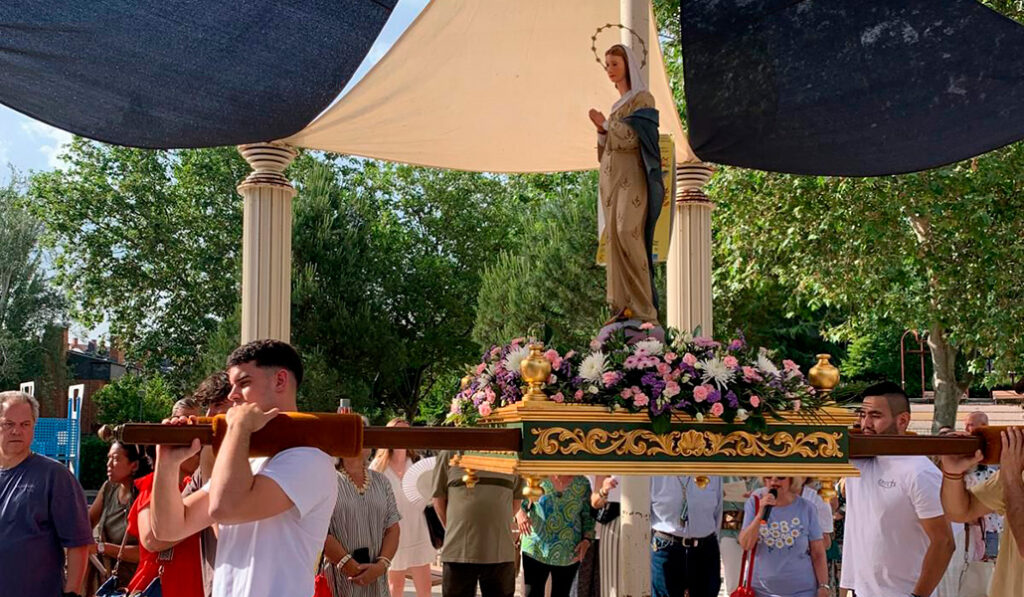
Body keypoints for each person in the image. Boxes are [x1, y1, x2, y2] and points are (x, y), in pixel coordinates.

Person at [149, 339, 339, 597]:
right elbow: (167, 530)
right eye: (232, 385)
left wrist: (238, 428)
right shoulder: (245, 461)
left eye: (244, 383)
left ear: (280, 381)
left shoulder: (310, 459)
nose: (232, 395)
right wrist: (167, 463)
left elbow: (225, 508)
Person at [840, 382, 954, 597]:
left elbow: (944, 542)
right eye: (862, 415)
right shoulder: (858, 462)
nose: (865, 423)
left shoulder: (920, 472)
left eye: (875, 416)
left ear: (902, 421)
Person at [588, 43, 664, 324]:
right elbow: (604, 151)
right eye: (607, 65)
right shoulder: (615, 107)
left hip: (633, 176)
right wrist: (600, 130)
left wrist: (607, 126)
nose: (610, 70)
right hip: (611, 180)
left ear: (628, 65)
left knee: (628, 231)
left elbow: (636, 138)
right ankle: (623, 308)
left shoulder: (643, 99)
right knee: (616, 240)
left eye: (615, 64)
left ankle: (644, 309)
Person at [0, 390, 93, 597]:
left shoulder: (54, 476)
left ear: (34, 428)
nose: (17, 431)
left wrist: (72, 593)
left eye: (25, 424)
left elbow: (78, 544)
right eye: (9, 424)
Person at [125, 397, 205, 597]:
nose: (193, 440)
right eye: (182, 427)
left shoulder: (202, 486)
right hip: (159, 588)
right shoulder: (152, 484)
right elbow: (152, 539)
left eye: (199, 428)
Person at [940, 425, 1024, 597]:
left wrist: (1012, 478)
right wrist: (953, 472)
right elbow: (961, 511)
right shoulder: (1017, 469)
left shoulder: (1014, 473)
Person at [324, 415, 401, 597]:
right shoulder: (326, 481)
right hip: (338, 578)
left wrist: (381, 565)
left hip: (376, 579)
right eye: (353, 435)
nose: (360, 441)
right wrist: (349, 566)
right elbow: (319, 531)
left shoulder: (381, 481)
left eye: (364, 435)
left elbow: (393, 528)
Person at [432, 450, 523, 597]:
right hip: (458, 552)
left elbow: (516, 501)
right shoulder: (449, 453)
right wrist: (454, 530)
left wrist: (495, 523)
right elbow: (438, 498)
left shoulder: (512, 455)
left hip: (500, 553)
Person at [181, 370, 234, 597]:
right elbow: (163, 533)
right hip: (216, 587)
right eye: (209, 407)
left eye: (219, 405)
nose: (210, 414)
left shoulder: (263, 461)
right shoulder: (206, 463)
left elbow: (227, 534)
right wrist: (169, 461)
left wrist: (210, 461)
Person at [369, 417, 436, 597]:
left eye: (407, 432)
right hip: (392, 533)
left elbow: (432, 495)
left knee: (425, 587)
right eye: (398, 432)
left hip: (418, 529)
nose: (403, 436)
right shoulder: (377, 468)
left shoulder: (418, 462)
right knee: (394, 587)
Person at [738, 476, 828, 597]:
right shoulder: (754, 504)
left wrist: (823, 586)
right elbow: (745, 544)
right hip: (760, 590)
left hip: (802, 591)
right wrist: (759, 516)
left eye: (780, 478)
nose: (774, 482)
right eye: (769, 477)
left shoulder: (807, 508)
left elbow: (818, 552)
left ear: (791, 480)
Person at [515, 475, 595, 597]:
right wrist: (519, 514)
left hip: (568, 552)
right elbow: (520, 504)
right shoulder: (536, 478)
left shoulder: (582, 483)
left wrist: (587, 540)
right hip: (535, 549)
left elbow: (588, 516)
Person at [87, 441, 149, 592]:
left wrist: (103, 548)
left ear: (134, 465)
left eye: (115, 459)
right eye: (108, 458)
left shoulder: (145, 495)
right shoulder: (108, 489)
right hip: (107, 582)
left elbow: (147, 552)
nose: (109, 464)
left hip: (137, 585)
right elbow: (85, 524)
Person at [650, 475, 723, 597]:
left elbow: (717, 512)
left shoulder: (712, 471)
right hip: (666, 547)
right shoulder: (655, 473)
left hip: (705, 547)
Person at [720, 476, 762, 594]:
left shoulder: (763, 478)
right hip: (729, 531)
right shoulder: (723, 476)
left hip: (757, 533)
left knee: (758, 578)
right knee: (733, 580)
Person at [585, 475, 620, 597]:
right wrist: (604, 490)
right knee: (612, 580)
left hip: (643, 522)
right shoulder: (608, 459)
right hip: (615, 524)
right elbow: (595, 502)